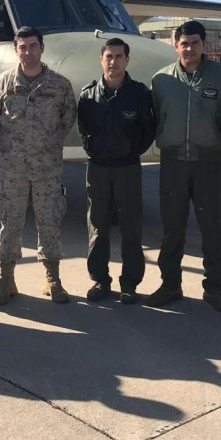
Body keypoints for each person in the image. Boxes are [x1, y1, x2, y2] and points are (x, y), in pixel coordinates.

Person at [147, 20, 221, 311]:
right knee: (172, 229)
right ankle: (170, 284)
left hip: (208, 163)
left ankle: (214, 288)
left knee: (212, 228)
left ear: (204, 45)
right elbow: (154, 118)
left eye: (195, 43)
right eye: (184, 43)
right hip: (173, 163)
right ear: (176, 46)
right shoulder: (161, 80)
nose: (189, 48)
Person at [0, 26, 77, 305]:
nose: (28, 52)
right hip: (12, 169)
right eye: (23, 47)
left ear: (42, 48)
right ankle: (6, 279)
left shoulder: (60, 85)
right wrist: (18, 145)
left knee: (49, 222)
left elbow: (67, 119)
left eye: (33, 46)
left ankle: (52, 279)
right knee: (9, 224)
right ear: (16, 50)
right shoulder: (3, 83)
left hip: (47, 169)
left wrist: (43, 145)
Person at [77, 37, 157, 304]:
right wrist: (94, 150)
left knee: (131, 228)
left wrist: (131, 151)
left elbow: (148, 130)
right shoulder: (88, 95)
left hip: (127, 169)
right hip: (98, 169)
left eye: (119, 56)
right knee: (98, 228)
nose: (114, 61)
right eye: (109, 56)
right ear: (102, 59)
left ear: (127, 60)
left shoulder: (139, 94)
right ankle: (100, 280)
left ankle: (130, 283)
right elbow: (83, 130)